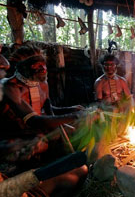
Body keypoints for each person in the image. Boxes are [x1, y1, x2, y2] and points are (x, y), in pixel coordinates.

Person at [0, 51, 88, 197]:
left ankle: (59, 170)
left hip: (40, 131)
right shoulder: (10, 87)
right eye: (37, 66)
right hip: (17, 138)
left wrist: (72, 110)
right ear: (25, 68)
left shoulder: (42, 84)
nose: (43, 69)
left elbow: (49, 110)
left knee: (72, 131)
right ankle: (35, 179)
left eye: (44, 65)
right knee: (45, 141)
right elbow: (34, 120)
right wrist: (74, 116)